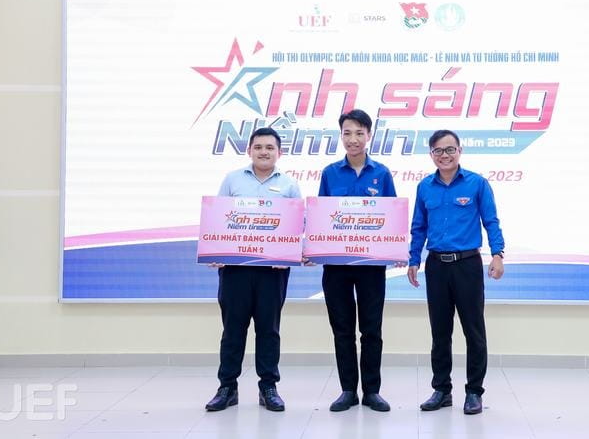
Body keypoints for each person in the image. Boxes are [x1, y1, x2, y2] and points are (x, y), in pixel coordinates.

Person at [407, 129, 505, 415]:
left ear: (460, 151)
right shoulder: (425, 187)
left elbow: (491, 221)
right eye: (438, 150)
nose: (445, 155)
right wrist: (413, 259)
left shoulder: (477, 183)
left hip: (467, 265)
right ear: (431, 155)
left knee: (474, 331)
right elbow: (418, 227)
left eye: (450, 149)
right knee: (440, 332)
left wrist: (497, 254)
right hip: (436, 266)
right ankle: (442, 390)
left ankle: (474, 391)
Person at [205, 127, 302, 412]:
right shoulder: (232, 180)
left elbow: (298, 225)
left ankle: (268, 387)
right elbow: (218, 218)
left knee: (269, 330)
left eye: (270, 148)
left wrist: (290, 253)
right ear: (249, 150)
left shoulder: (289, 185)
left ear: (279, 153)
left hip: (273, 271)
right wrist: (215, 250)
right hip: (236, 270)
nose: (263, 152)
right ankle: (227, 387)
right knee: (233, 329)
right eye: (258, 147)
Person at [318, 109, 398, 412]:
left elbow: (391, 216)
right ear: (341, 136)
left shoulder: (382, 174)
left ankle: (372, 391)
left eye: (359, 133)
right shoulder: (330, 173)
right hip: (336, 266)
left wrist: (395, 249)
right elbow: (321, 218)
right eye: (347, 133)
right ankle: (348, 390)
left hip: (371, 266)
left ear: (369, 136)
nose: (353, 139)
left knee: (371, 330)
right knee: (342, 330)